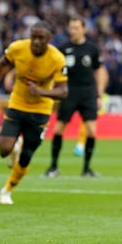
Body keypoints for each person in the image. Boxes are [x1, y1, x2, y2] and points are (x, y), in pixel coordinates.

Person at [0, 21, 68, 205]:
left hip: (40, 111)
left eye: (41, 38)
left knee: (27, 155)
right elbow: (2, 65)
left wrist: (41, 91)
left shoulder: (57, 59)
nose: (36, 41)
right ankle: (14, 146)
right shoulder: (17, 48)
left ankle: (7, 190)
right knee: (4, 150)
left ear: (49, 39)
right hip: (17, 104)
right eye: (33, 37)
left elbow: (63, 91)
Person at [44, 16, 108, 178]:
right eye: (71, 28)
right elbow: (54, 70)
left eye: (76, 28)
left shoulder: (92, 49)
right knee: (59, 129)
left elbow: (99, 71)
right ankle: (53, 167)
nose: (72, 31)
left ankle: (86, 169)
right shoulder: (63, 48)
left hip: (88, 93)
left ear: (84, 29)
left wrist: (99, 94)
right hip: (68, 92)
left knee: (92, 131)